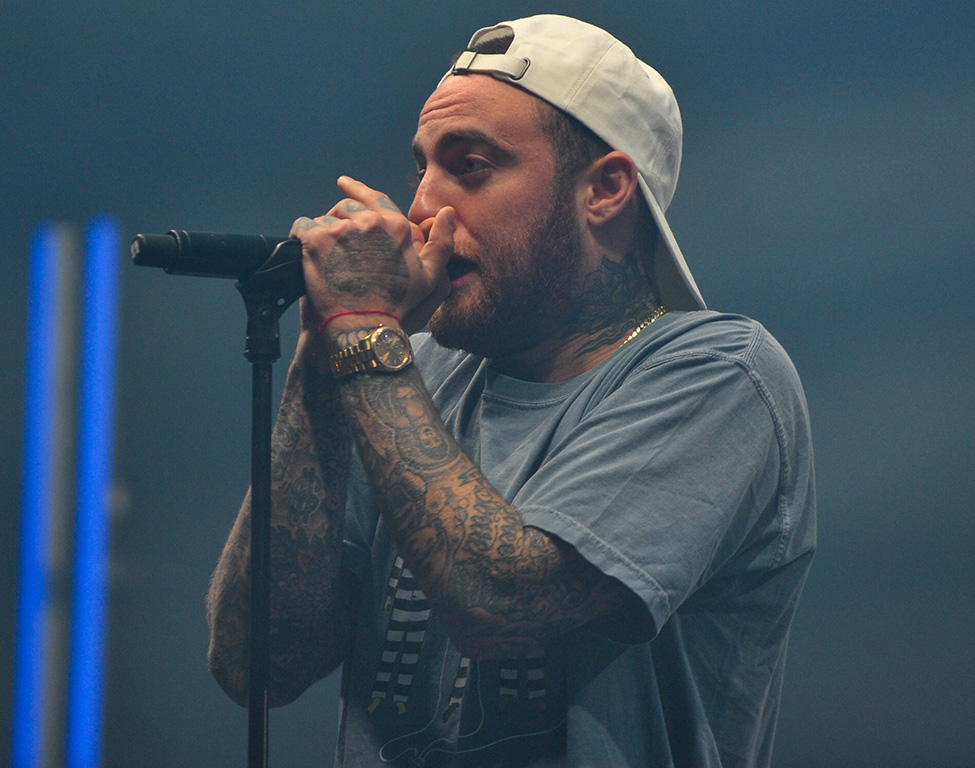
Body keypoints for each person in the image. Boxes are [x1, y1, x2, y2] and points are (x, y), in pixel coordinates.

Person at [206, 14, 816, 768]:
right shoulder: (402, 371)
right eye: (421, 170)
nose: (423, 207)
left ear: (606, 190)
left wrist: (364, 331)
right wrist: (321, 358)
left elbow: (502, 601)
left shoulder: (721, 375)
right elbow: (254, 664)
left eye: (470, 166)